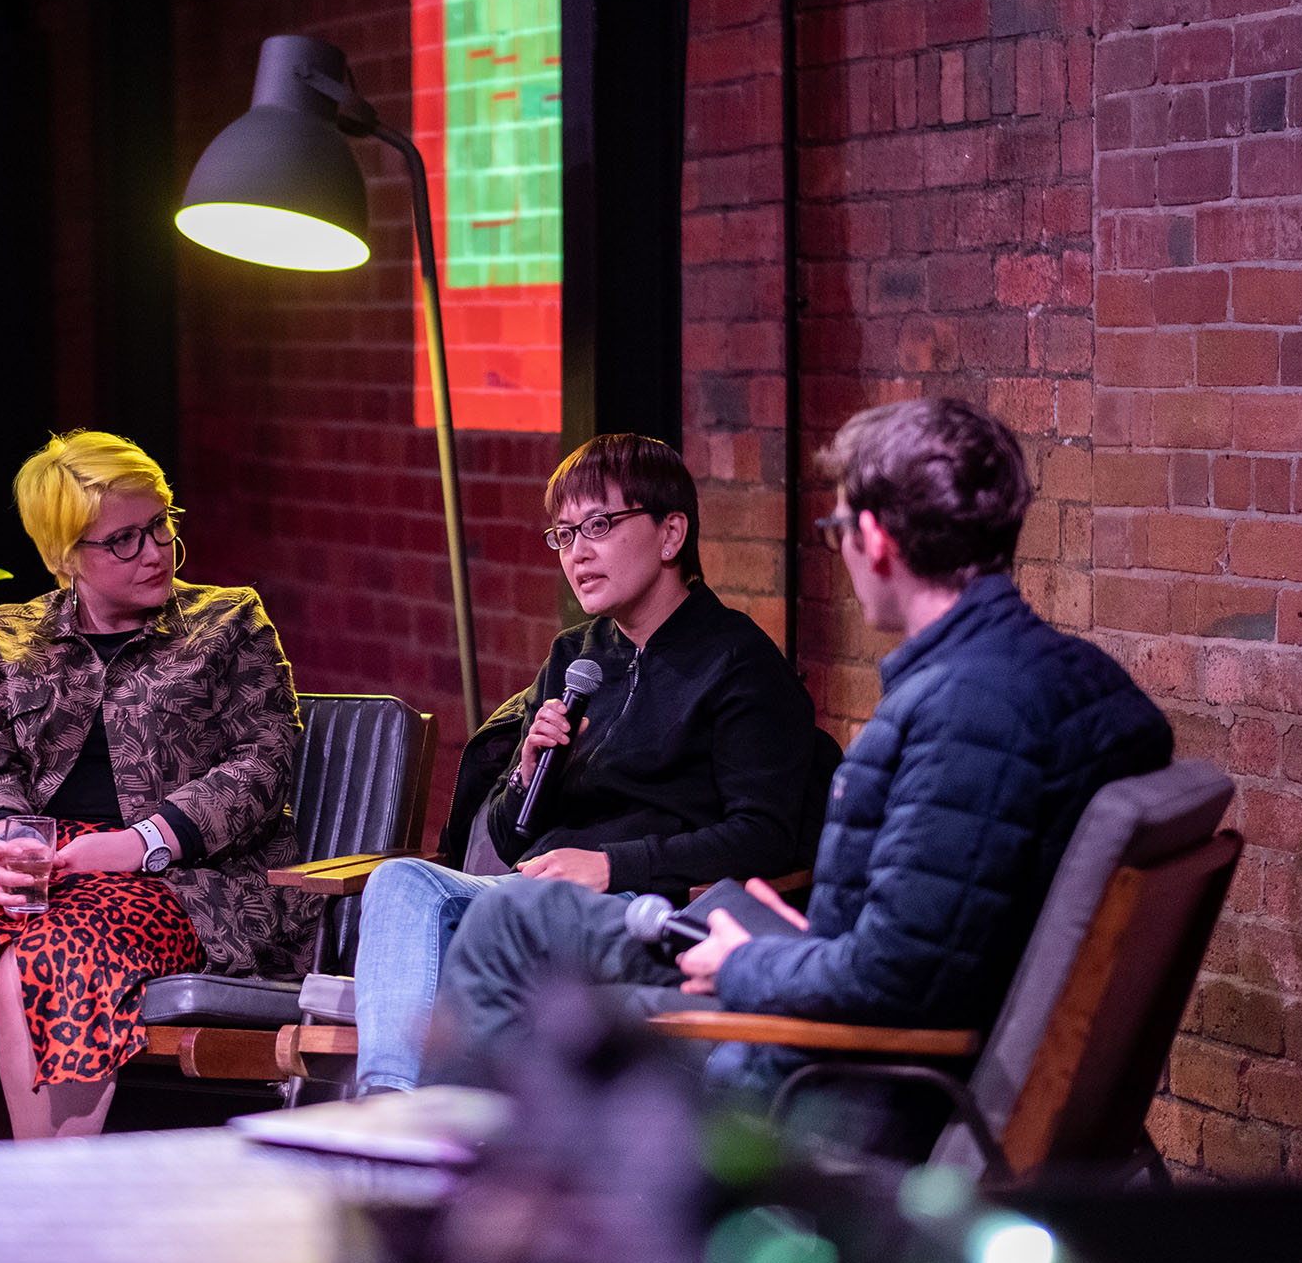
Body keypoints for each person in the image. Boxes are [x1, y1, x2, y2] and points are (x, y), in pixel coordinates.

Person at [426, 399, 1174, 1154]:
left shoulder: (966, 712)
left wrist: (748, 960)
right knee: (513, 920)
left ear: (875, 539)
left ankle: (448, 1203)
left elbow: (896, 977)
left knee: (516, 956)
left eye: (839, 529)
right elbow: (928, 921)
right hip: (834, 993)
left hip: (824, 1079)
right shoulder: (1075, 679)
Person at [0, 430, 314, 1145]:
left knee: (52, 953)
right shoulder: (7, 635)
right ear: (64, 556)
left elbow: (263, 762)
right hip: (34, 860)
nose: (155, 550)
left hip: (181, 875)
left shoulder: (229, 622)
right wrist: (3, 840)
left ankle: (48, 1224)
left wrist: (138, 843)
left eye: (161, 525)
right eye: (125, 540)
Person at [352, 432, 821, 1094]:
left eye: (599, 525)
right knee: (399, 881)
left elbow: (764, 834)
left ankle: (443, 1124)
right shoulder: (576, 657)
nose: (578, 551)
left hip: (640, 907)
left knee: (497, 915)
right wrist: (527, 769)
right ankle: (388, 1111)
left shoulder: (736, 662)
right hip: (530, 887)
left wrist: (612, 865)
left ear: (670, 534)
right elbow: (512, 839)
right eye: (564, 534)